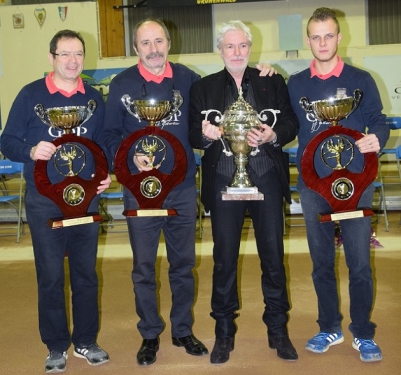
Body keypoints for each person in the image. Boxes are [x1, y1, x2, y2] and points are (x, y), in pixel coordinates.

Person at [0, 30, 111, 373]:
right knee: (49, 276)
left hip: (85, 201)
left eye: (78, 53)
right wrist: (31, 150)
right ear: (51, 58)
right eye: (65, 54)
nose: (73, 60)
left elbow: (104, 140)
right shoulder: (31, 94)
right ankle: (56, 345)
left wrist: (106, 172)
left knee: (86, 274)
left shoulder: (93, 98)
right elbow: (7, 141)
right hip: (45, 201)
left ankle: (86, 341)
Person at [189, 20, 299, 364]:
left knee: (273, 258)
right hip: (223, 180)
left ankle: (278, 330)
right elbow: (193, 135)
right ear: (219, 51)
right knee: (223, 261)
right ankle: (224, 332)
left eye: (242, 46)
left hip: (266, 176)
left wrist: (272, 135)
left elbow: (292, 124)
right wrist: (206, 135)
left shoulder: (272, 80)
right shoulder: (202, 88)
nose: (236, 53)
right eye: (230, 47)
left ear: (250, 49)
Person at [101, 18, 209, 366]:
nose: (153, 49)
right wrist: (129, 154)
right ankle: (149, 333)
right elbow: (109, 134)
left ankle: (182, 329)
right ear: (136, 48)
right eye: (145, 43)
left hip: (180, 187)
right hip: (140, 189)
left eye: (158, 41)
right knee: (144, 267)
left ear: (168, 43)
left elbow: (216, 102)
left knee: (183, 264)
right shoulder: (121, 84)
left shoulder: (188, 79)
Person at [287, 8, 389, 362]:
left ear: (339, 36)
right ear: (308, 40)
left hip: (356, 183)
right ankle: (328, 326)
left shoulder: (361, 79)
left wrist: (376, 136)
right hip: (314, 188)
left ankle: (362, 332)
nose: (322, 43)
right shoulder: (296, 83)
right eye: (316, 36)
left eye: (328, 35)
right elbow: (285, 124)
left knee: (359, 263)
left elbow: (378, 120)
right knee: (321, 263)